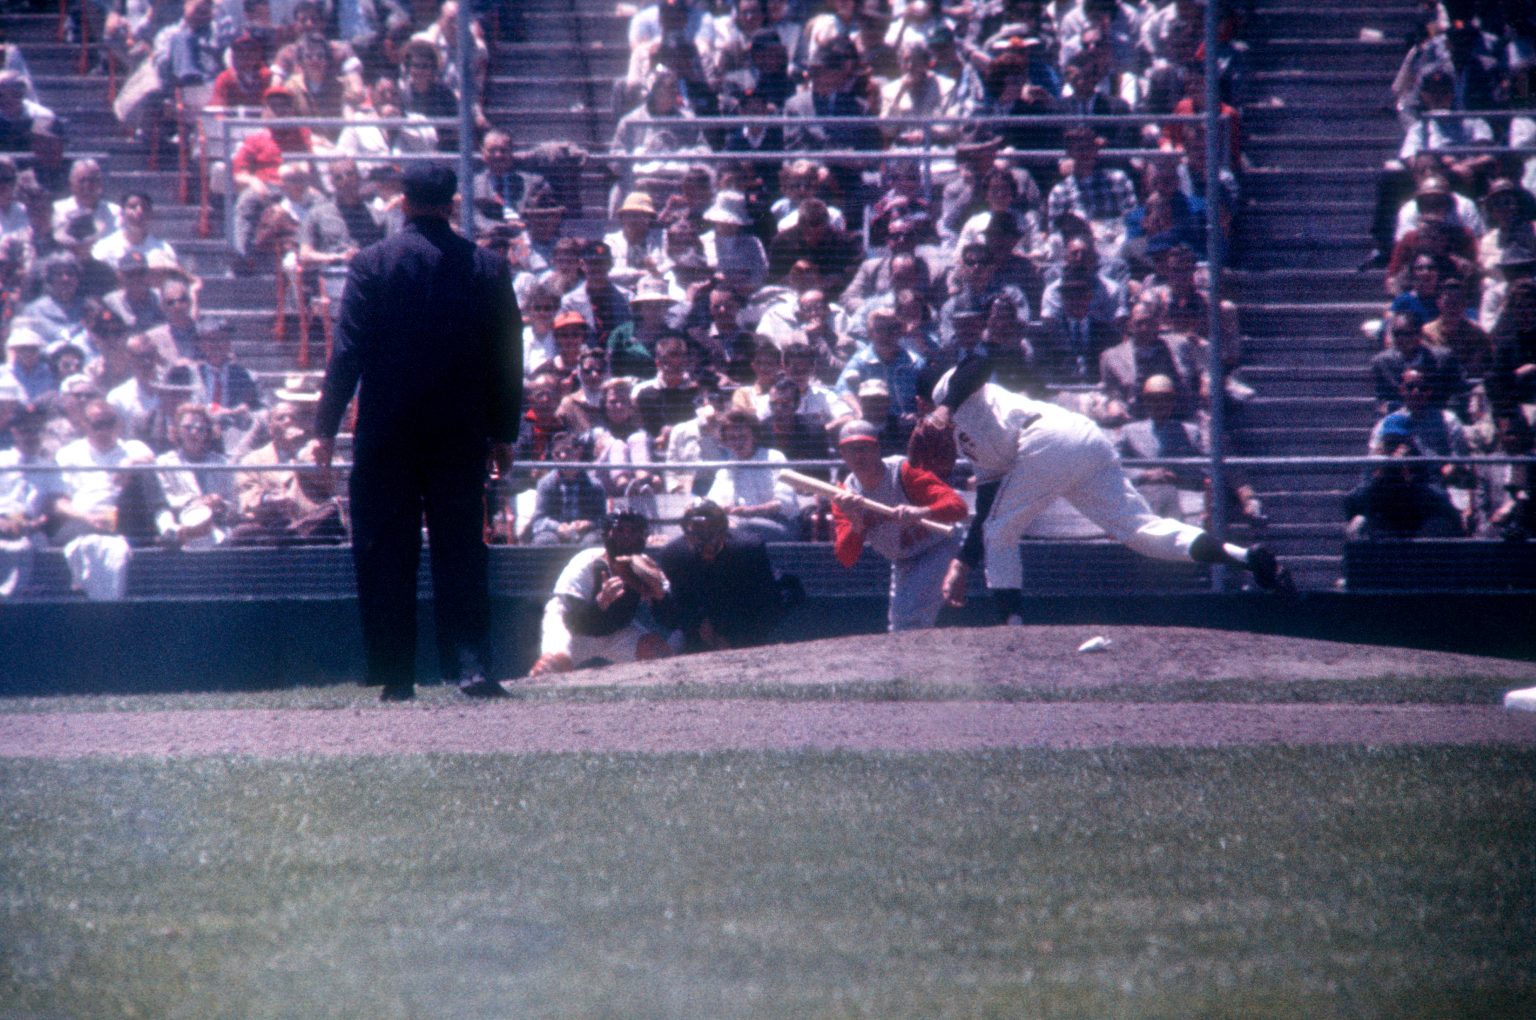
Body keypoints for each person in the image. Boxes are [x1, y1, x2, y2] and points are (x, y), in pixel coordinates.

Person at [314, 163, 523, 702]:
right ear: (453, 204)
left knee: (386, 548)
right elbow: (507, 358)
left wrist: (325, 427)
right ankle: (472, 666)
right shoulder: (487, 267)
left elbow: (348, 352)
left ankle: (395, 672)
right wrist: (503, 431)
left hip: (387, 431)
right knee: (461, 549)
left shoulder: (371, 264)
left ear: (403, 202)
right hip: (459, 432)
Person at [927, 358, 1293, 619]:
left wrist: (942, 407)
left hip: (1046, 435)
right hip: (1080, 440)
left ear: (921, 401)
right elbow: (989, 505)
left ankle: (1012, 631)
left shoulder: (945, 390)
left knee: (1000, 532)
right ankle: (1248, 558)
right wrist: (962, 563)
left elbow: (978, 363)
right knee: (1139, 532)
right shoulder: (970, 445)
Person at [830, 419, 968, 632]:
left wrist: (922, 511)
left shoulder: (903, 471)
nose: (859, 456)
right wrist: (856, 524)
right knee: (899, 626)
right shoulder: (845, 494)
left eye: (864, 448)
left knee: (906, 618)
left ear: (877, 449)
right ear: (843, 454)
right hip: (903, 559)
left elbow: (959, 507)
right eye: (851, 450)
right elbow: (846, 557)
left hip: (939, 545)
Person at [527, 510, 674, 676]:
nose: (627, 537)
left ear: (643, 537)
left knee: (660, 655)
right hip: (573, 630)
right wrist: (600, 602)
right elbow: (571, 619)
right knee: (552, 666)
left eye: (633, 532)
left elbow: (670, 620)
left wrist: (660, 595)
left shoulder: (646, 568)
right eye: (620, 531)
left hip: (616, 631)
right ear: (606, 535)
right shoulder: (586, 563)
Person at [653, 499, 789, 651]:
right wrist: (660, 599)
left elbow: (768, 605)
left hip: (745, 620)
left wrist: (733, 636)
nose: (705, 541)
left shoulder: (747, 550)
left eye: (710, 529)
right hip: (698, 627)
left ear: (723, 531)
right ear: (687, 533)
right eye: (698, 530)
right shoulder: (674, 556)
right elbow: (676, 613)